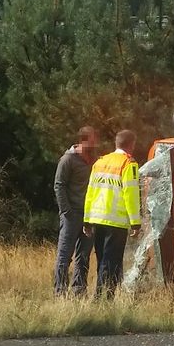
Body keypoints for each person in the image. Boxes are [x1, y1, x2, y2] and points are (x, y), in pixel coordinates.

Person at [83, 129, 142, 299]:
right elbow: (130, 195)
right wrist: (135, 222)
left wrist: (86, 220)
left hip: (97, 218)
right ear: (132, 145)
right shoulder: (128, 164)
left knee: (102, 260)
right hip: (116, 222)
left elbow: (90, 192)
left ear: (116, 143)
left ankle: (104, 296)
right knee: (111, 262)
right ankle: (102, 299)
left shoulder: (100, 162)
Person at [53, 126, 98, 297]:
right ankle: (60, 291)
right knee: (64, 255)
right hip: (71, 215)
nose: (95, 143)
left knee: (84, 255)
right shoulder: (67, 160)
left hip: (89, 215)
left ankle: (79, 290)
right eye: (93, 139)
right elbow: (59, 186)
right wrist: (66, 211)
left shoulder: (93, 160)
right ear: (83, 140)